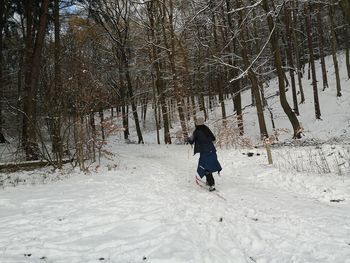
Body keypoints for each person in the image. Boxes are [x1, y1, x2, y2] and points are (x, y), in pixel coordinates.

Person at [186, 117, 222, 191]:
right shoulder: (206, 129)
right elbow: (213, 139)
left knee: (205, 167)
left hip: (205, 153)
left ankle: (212, 184)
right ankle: (209, 182)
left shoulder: (196, 131)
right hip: (212, 151)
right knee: (209, 166)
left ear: (197, 123)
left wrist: (187, 139)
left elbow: (191, 141)